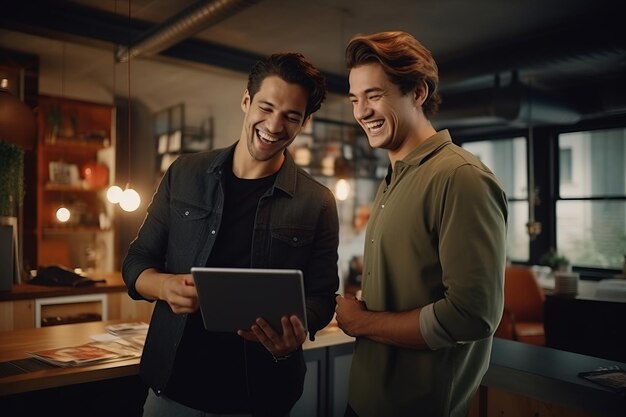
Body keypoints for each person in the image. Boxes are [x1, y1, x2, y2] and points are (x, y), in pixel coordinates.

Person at [122, 52, 340, 417]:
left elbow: (321, 297)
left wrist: (296, 330)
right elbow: (136, 260)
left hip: (262, 396)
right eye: (266, 107)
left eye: (291, 116)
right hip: (173, 389)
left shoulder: (317, 201)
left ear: (304, 122)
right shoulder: (184, 173)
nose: (273, 125)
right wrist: (163, 287)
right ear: (246, 101)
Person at [335, 31, 508, 417]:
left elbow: (471, 315)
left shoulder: (461, 177)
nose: (361, 111)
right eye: (354, 99)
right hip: (363, 399)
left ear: (417, 93)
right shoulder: (391, 179)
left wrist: (364, 321)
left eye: (374, 95)